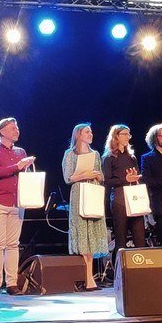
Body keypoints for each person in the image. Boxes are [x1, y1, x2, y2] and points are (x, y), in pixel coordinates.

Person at [0, 117, 35, 296]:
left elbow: (23, 175)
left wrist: (26, 166)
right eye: (13, 128)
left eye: (17, 127)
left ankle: (11, 283)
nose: (17, 130)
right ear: (3, 131)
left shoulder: (21, 151)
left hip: (17, 202)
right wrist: (17, 166)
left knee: (13, 244)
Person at [62, 123, 108, 291]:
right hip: (79, 194)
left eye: (91, 132)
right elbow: (68, 178)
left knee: (92, 235)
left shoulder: (95, 154)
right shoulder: (70, 154)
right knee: (82, 234)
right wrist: (84, 175)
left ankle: (90, 278)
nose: (91, 134)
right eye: (87, 132)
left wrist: (97, 175)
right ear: (79, 135)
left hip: (93, 193)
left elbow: (101, 176)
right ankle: (87, 279)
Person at [102, 124, 146, 264]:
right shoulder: (109, 157)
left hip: (134, 199)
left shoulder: (132, 157)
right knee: (121, 238)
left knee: (140, 237)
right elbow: (106, 181)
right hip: (119, 200)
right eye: (125, 134)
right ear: (116, 136)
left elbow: (137, 175)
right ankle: (119, 270)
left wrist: (136, 177)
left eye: (129, 134)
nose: (128, 137)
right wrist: (125, 179)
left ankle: (140, 268)